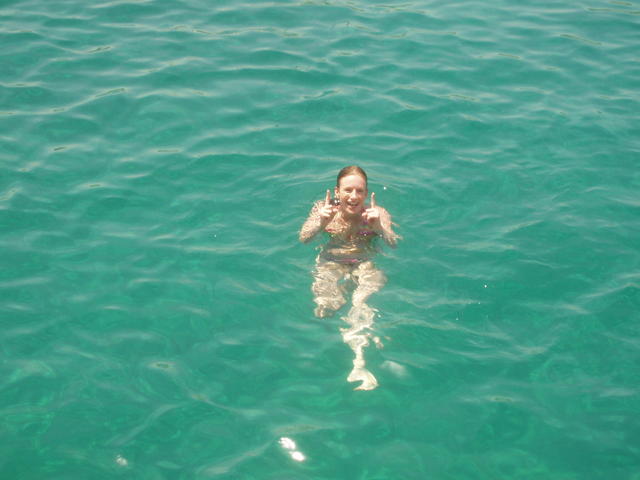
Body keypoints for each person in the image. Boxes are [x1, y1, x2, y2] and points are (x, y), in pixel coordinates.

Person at [299, 166, 399, 390]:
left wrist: (379, 228)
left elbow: (393, 243)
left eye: (359, 191)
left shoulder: (377, 213)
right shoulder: (323, 209)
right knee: (325, 309)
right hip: (331, 261)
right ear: (337, 192)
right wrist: (321, 223)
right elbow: (304, 238)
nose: (354, 196)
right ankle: (356, 356)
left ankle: (359, 361)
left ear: (366, 193)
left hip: (365, 262)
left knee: (360, 304)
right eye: (348, 190)